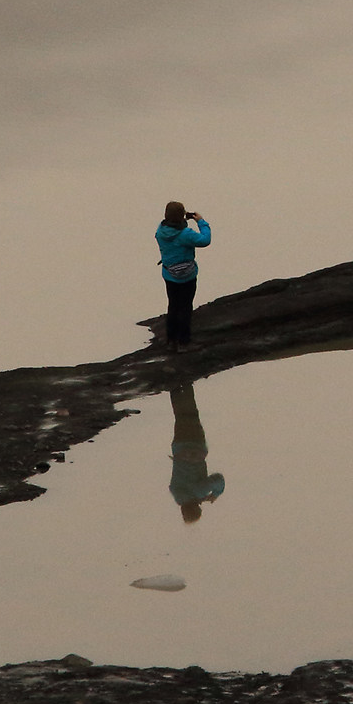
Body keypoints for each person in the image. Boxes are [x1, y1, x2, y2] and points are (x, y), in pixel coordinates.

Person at [155, 200, 211, 350]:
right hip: (187, 276)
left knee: (173, 306)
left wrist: (181, 219)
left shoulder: (160, 231)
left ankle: (171, 341)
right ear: (182, 215)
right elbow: (205, 240)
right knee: (185, 307)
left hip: (169, 274)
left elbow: (172, 230)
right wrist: (201, 222)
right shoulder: (186, 234)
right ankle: (184, 343)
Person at [166, 381, 224, 522]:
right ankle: (174, 387)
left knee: (191, 414)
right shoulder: (176, 492)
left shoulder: (199, 491)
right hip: (179, 448)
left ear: (197, 508)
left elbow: (218, 479)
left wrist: (216, 493)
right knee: (180, 417)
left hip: (195, 445)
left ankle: (186, 384)